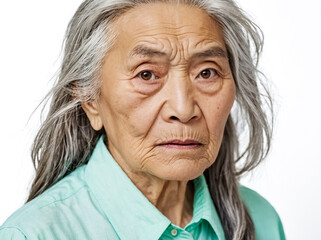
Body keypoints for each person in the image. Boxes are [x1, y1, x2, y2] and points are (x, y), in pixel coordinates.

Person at [0, 0, 285, 239]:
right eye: (146, 74)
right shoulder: (33, 234)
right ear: (90, 100)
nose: (184, 110)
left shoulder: (261, 220)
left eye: (207, 73)